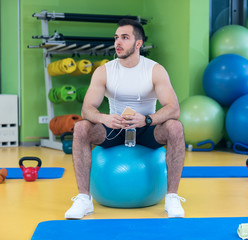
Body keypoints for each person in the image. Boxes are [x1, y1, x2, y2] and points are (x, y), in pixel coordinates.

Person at [65, 18, 186, 219]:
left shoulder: (154, 70)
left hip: (147, 128)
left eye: (124, 37)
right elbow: (87, 109)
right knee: (81, 128)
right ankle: (83, 199)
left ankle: (172, 197)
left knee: (175, 127)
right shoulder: (104, 71)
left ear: (138, 43)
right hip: (115, 128)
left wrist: (147, 120)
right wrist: (104, 118)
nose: (117, 42)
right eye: (116, 38)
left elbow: (173, 109)